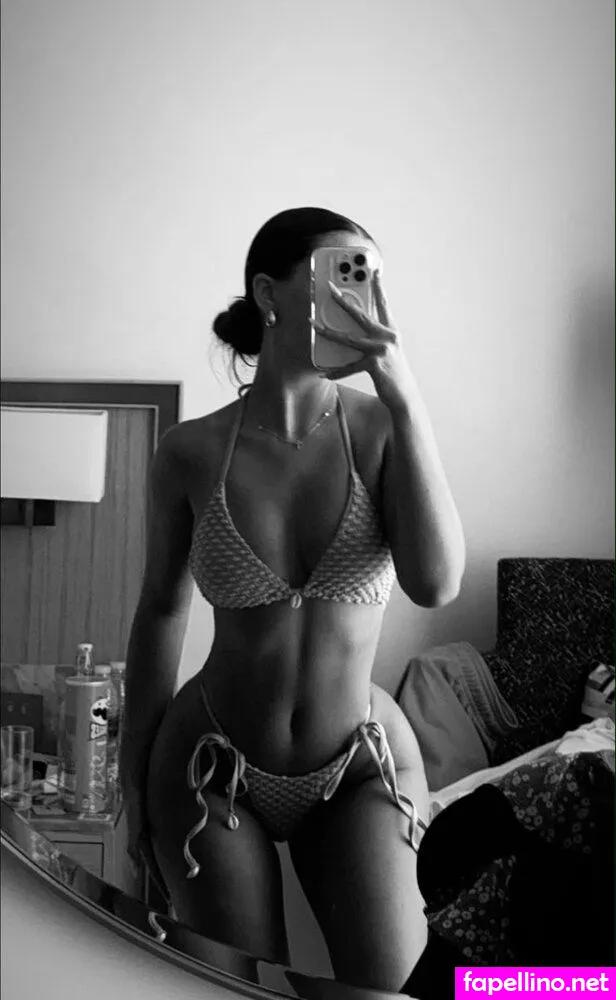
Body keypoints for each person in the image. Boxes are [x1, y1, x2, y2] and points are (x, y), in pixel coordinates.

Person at [120, 207, 465, 992]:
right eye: (341, 277)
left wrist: (406, 397)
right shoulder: (190, 451)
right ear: (269, 294)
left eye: (369, 281)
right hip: (212, 763)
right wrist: (132, 779)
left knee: (384, 992)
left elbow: (436, 583)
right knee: (236, 991)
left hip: (361, 765)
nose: (360, 302)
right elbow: (161, 611)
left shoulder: (382, 430)